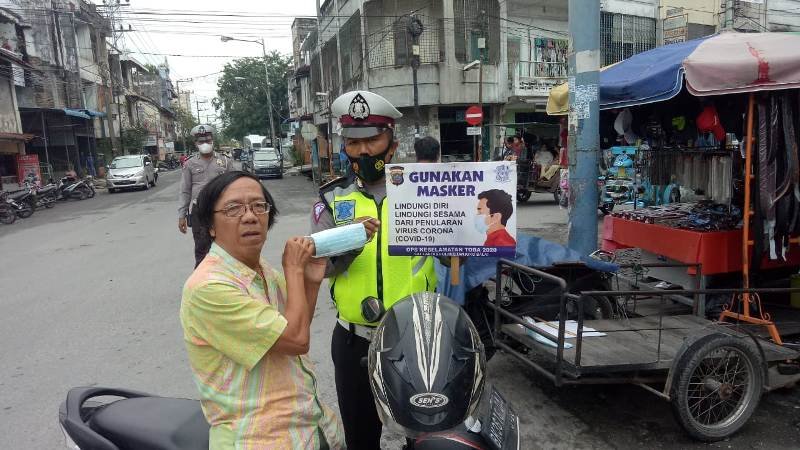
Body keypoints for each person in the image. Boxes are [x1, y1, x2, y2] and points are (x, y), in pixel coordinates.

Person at [309, 90, 437, 450]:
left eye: (372, 140)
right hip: (354, 341)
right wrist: (350, 241)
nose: (364, 151)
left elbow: (455, 253)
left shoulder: (424, 191)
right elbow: (322, 268)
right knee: (361, 437)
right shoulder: (333, 198)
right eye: (354, 142)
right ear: (344, 147)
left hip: (418, 336)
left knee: (423, 435)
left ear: (392, 143)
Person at [181, 171, 344, 449]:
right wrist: (293, 268)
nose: (250, 216)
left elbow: (293, 324)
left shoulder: (259, 269)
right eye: (233, 208)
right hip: (259, 437)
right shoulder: (209, 287)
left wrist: (311, 280)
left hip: (307, 427)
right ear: (210, 225)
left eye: (259, 206)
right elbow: (296, 340)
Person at [178, 124, 233, 267]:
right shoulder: (190, 164)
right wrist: (181, 215)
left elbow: (234, 187)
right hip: (199, 210)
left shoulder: (225, 161)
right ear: (196, 143)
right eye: (201, 141)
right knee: (202, 248)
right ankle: (202, 283)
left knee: (226, 247)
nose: (205, 144)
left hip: (222, 210)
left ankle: (227, 279)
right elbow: (185, 190)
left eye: (208, 140)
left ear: (213, 140)